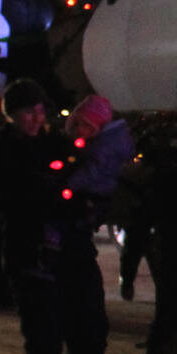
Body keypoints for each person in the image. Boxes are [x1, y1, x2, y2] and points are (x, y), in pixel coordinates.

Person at [0, 78, 108, 354]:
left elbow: (84, 186)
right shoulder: (3, 154)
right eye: (28, 112)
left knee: (91, 339)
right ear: (12, 115)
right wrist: (56, 194)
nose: (37, 118)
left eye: (40, 111)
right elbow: (21, 196)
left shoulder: (61, 147)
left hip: (74, 256)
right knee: (45, 347)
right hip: (32, 259)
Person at [65, 93, 140, 299]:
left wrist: (67, 183)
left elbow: (93, 171)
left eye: (84, 125)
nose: (79, 131)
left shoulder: (104, 147)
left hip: (99, 194)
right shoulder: (110, 140)